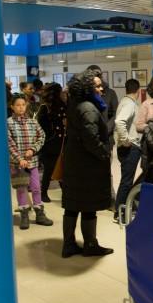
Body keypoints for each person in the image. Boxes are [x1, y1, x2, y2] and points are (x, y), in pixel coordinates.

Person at [61, 70, 114, 257]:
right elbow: (91, 137)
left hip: (75, 164)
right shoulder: (89, 108)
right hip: (87, 167)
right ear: (87, 88)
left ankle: (68, 245)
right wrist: (104, 153)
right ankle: (90, 245)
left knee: (73, 206)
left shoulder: (75, 103)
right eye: (97, 86)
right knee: (89, 207)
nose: (101, 89)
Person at [8, 95, 54, 229]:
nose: (21, 107)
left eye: (23, 104)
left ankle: (40, 213)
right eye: (18, 105)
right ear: (12, 107)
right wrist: (19, 159)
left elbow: (42, 136)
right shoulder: (9, 123)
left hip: (32, 161)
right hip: (17, 164)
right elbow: (9, 143)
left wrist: (33, 150)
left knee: (36, 187)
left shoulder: (32, 122)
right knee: (21, 188)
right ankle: (24, 215)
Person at [114, 78, 142, 222]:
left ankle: (121, 209)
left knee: (127, 180)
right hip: (130, 148)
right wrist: (125, 141)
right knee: (127, 181)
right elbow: (119, 122)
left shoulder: (124, 102)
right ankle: (120, 212)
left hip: (127, 148)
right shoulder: (130, 104)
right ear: (138, 91)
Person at [36, 83, 67, 203]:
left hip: (62, 143)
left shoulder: (63, 106)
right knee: (49, 170)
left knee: (61, 169)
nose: (62, 94)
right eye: (60, 92)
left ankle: (65, 193)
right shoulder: (45, 108)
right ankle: (43, 193)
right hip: (50, 145)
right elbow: (43, 128)